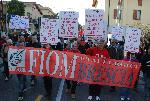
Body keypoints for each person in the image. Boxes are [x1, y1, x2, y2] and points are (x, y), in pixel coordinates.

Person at [16, 34, 27, 101]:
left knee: (22, 80)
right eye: (21, 38)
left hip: (25, 66)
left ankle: (21, 93)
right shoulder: (15, 48)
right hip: (18, 67)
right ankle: (23, 89)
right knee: (20, 80)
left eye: (23, 38)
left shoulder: (27, 47)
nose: (21, 46)